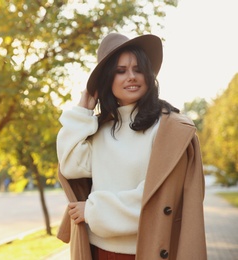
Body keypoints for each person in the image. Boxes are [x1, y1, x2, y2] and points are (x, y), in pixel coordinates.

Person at [56, 33, 207, 260]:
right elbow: (69, 166)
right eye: (120, 71)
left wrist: (93, 210)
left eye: (138, 69)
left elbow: (158, 201)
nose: (131, 77)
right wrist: (82, 111)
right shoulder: (100, 129)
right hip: (97, 251)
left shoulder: (170, 130)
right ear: (107, 80)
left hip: (146, 252)